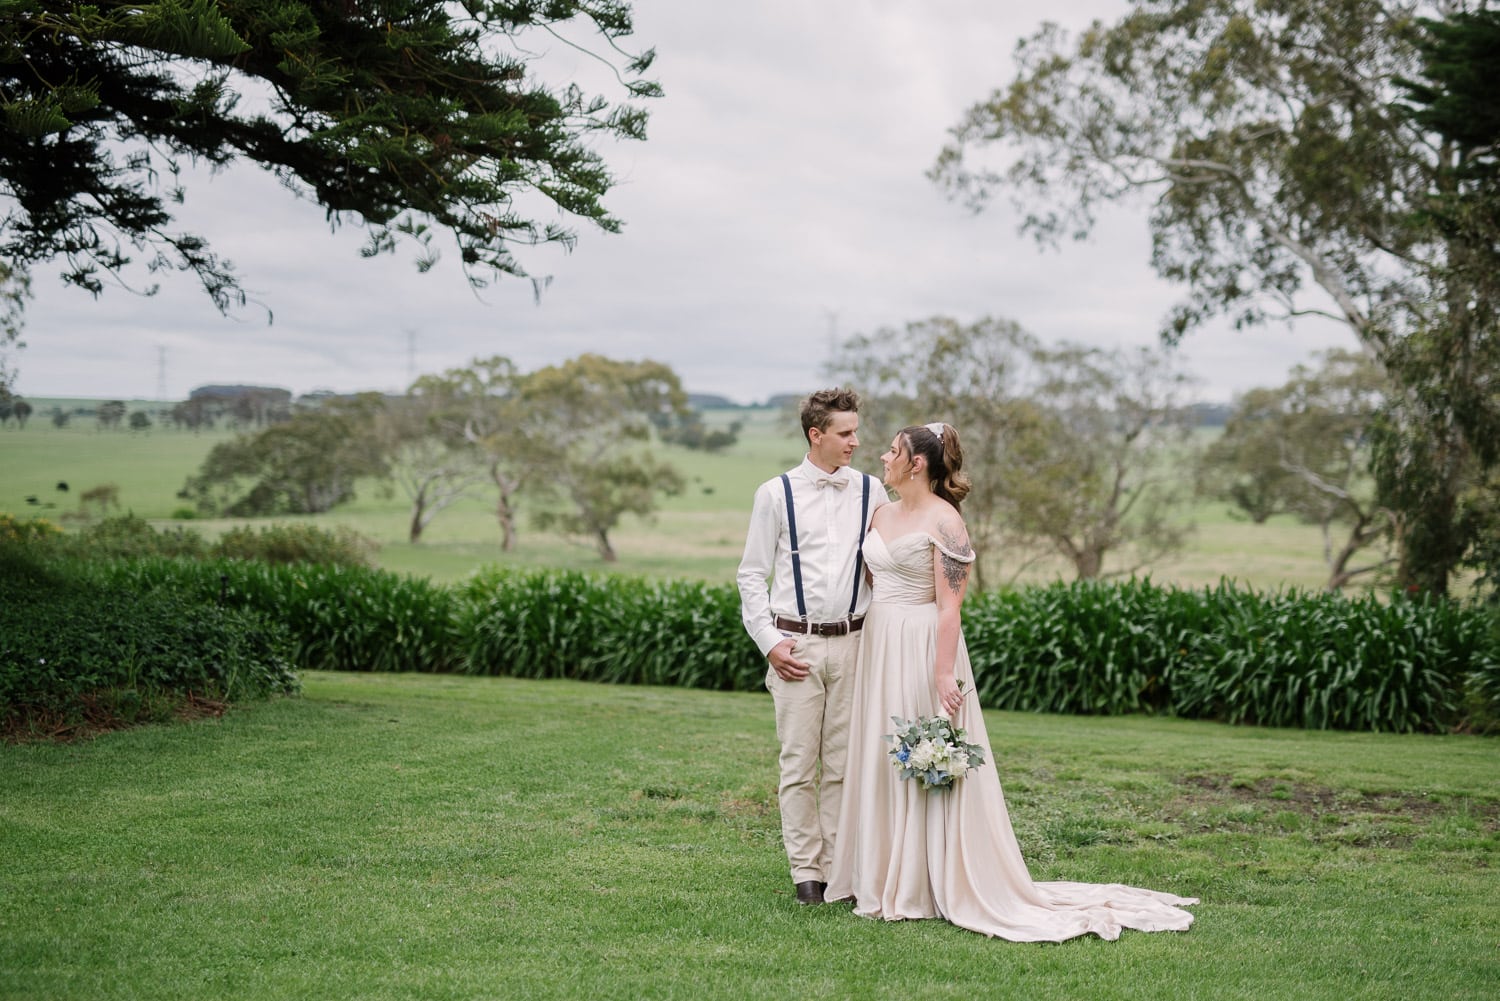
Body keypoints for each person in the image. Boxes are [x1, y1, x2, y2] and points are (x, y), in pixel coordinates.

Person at [825, 421, 1197, 940]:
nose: (881, 457)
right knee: (879, 754)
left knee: (922, 751)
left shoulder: (947, 522)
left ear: (917, 464)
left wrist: (942, 674)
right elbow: (873, 578)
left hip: (921, 645)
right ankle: (879, 872)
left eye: (892, 451)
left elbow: (950, 608)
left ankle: (922, 881)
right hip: (879, 641)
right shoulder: (881, 512)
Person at [737, 388, 888, 905]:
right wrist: (770, 643)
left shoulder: (873, 492)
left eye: (856, 431)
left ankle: (837, 872)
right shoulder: (774, 493)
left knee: (844, 767)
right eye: (845, 434)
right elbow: (751, 575)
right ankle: (806, 873)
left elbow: (886, 568)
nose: (856, 442)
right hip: (794, 645)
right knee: (798, 764)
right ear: (815, 435)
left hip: (856, 644)